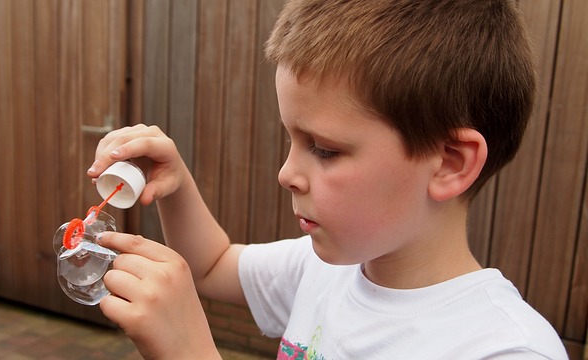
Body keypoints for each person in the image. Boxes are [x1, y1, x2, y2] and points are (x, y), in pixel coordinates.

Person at [87, 0, 568, 358]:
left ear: (449, 162)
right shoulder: (322, 270)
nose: (286, 173)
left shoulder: (504, 349)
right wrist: (176, 183)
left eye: (325, 149)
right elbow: (211, 266)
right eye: (291, 140)